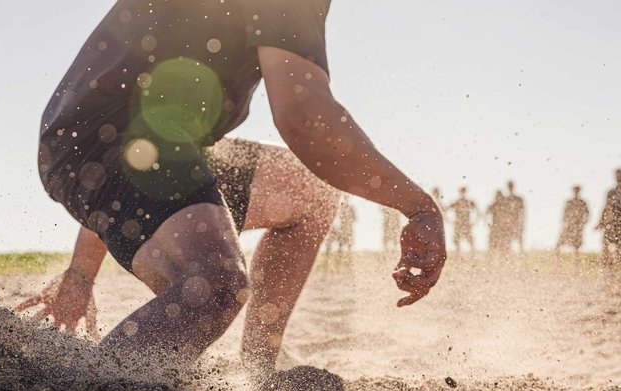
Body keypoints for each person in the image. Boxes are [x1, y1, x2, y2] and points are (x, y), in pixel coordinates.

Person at [27, 0, 446, 370]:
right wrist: (417, 206)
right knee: (213, 285)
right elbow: (304, 118)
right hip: (117, 136)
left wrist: (80, 274)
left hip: (134, 140)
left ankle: (259, 374)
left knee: (309, 193)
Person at [596, 169, 621, 272]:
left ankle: (617, 271)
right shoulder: (611, 192)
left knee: (619, 249)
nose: (618, 178)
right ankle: (607, 270)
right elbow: (606, 207)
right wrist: (601, 221)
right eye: (617, 176)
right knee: (605, 245)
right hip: (611, 223)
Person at [555, 185, 590, 257]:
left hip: (577, 227)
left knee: (576, 248)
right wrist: (565, 223)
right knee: (558, 244)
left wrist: (582, 224)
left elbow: (587, 214)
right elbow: (564, 214)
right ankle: (556, 265)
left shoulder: (582, 202)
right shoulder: (569, 202)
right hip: (568, 226)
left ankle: (576, 266)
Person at [448, 186, 478, 255]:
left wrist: (474, 222)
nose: (462, 194)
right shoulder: (457, 202)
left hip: (465, 224)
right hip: (459, 224)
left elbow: (478, 211)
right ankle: (459, 256)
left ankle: (471, 256)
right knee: (457, 242)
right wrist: (450, 221)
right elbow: (446, 210)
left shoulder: (468, 202)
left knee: (470, 242)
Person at [504, 180, 526, 253]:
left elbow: (523, 213)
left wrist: (522, 223)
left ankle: (521, 259)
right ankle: (511, 259)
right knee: (508, 243)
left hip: (516, 223)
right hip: (509, 225)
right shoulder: (505, 199)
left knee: (519, 243)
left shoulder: (518, 199)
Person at [486, 190, 509, 254]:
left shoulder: (505, 206)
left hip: (502, 229)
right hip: (495, 228)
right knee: (492, 246)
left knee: (504, 247)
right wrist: (489, 224)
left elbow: (508, 216)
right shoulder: (493, 205)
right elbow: (486, 215)